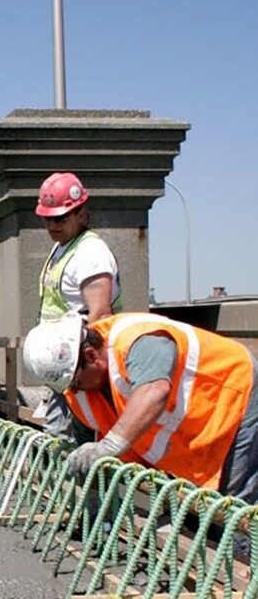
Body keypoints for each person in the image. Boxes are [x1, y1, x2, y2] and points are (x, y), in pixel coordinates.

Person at [22, 311, 258, 503]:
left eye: (75, 381)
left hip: (234, 396)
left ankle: (242, 558)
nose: (74, 390)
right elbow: (88, 447)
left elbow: (154, 392)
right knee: (199, 508)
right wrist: (91, 499)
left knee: (230, 508)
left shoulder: (137, 340)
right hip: (196, 430)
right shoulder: (79, 392)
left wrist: (109, 447)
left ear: (91, 355)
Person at [34, 171, 122, 442]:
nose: (52, 225)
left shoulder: (90, 254)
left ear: (82, 213)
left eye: (61, 217)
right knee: (58, 435)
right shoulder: (63, 247)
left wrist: (83, 370)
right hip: (63, 364)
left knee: (79, 433)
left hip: (79, 365)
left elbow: (100, 315)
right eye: (48, 218)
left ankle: (88, 484)